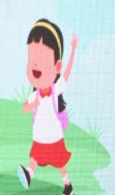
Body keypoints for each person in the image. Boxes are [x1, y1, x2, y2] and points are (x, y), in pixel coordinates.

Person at [17, 19, 77, 195]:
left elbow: (67, 74)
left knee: (60, 163)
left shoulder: (55, 90)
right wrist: (32, 104)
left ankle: (67, 184)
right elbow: (24, 108)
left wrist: (73, 50)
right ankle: (29, 174)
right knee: (35, 157)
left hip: (54, 136)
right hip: (40, 137)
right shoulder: (35, 94)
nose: (35, 64)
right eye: (32, 59)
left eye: (42, 59)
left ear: (57, 66)